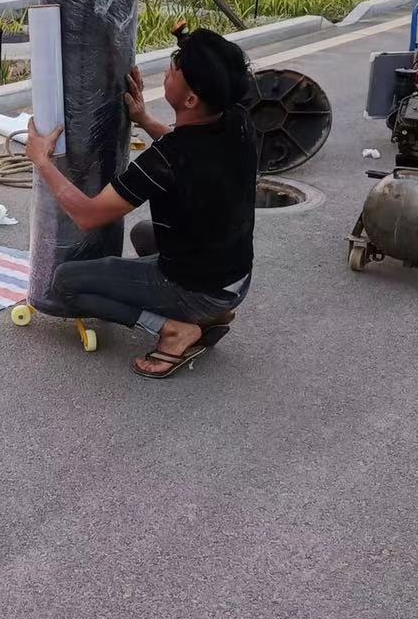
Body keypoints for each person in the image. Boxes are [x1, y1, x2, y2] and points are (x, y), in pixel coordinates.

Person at [24, 27, 258, 380]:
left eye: (175, 68)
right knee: (146, 234)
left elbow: (88, 215)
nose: (168, 71)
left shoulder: (166, 159)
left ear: (191, 99)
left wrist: (42, 161)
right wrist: (144, 120)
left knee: (65, 281)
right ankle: (209, 312)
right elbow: (191, 155)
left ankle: (173, 329)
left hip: (198, 287)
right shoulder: (236, 121)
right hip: (235, 278)